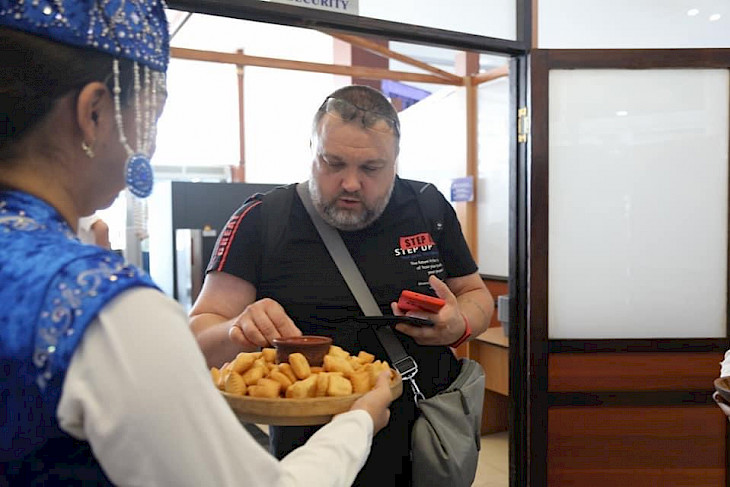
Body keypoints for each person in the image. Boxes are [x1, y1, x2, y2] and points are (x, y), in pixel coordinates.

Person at [0, 2, 393, 486]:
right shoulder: (107, 308)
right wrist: (358, 422)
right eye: (150, 115)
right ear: (94, 112)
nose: (149, 143)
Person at [189, 84, 495, 485]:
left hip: (425, 432)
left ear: (395, 161)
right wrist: (237, 328)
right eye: (332, 163)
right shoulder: (262, 219)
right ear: (312, 150)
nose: (350, 183)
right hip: (313, 454)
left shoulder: (427, 206)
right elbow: (198, 339)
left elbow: (476, 295)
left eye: (371, 168)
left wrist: (460, 324)